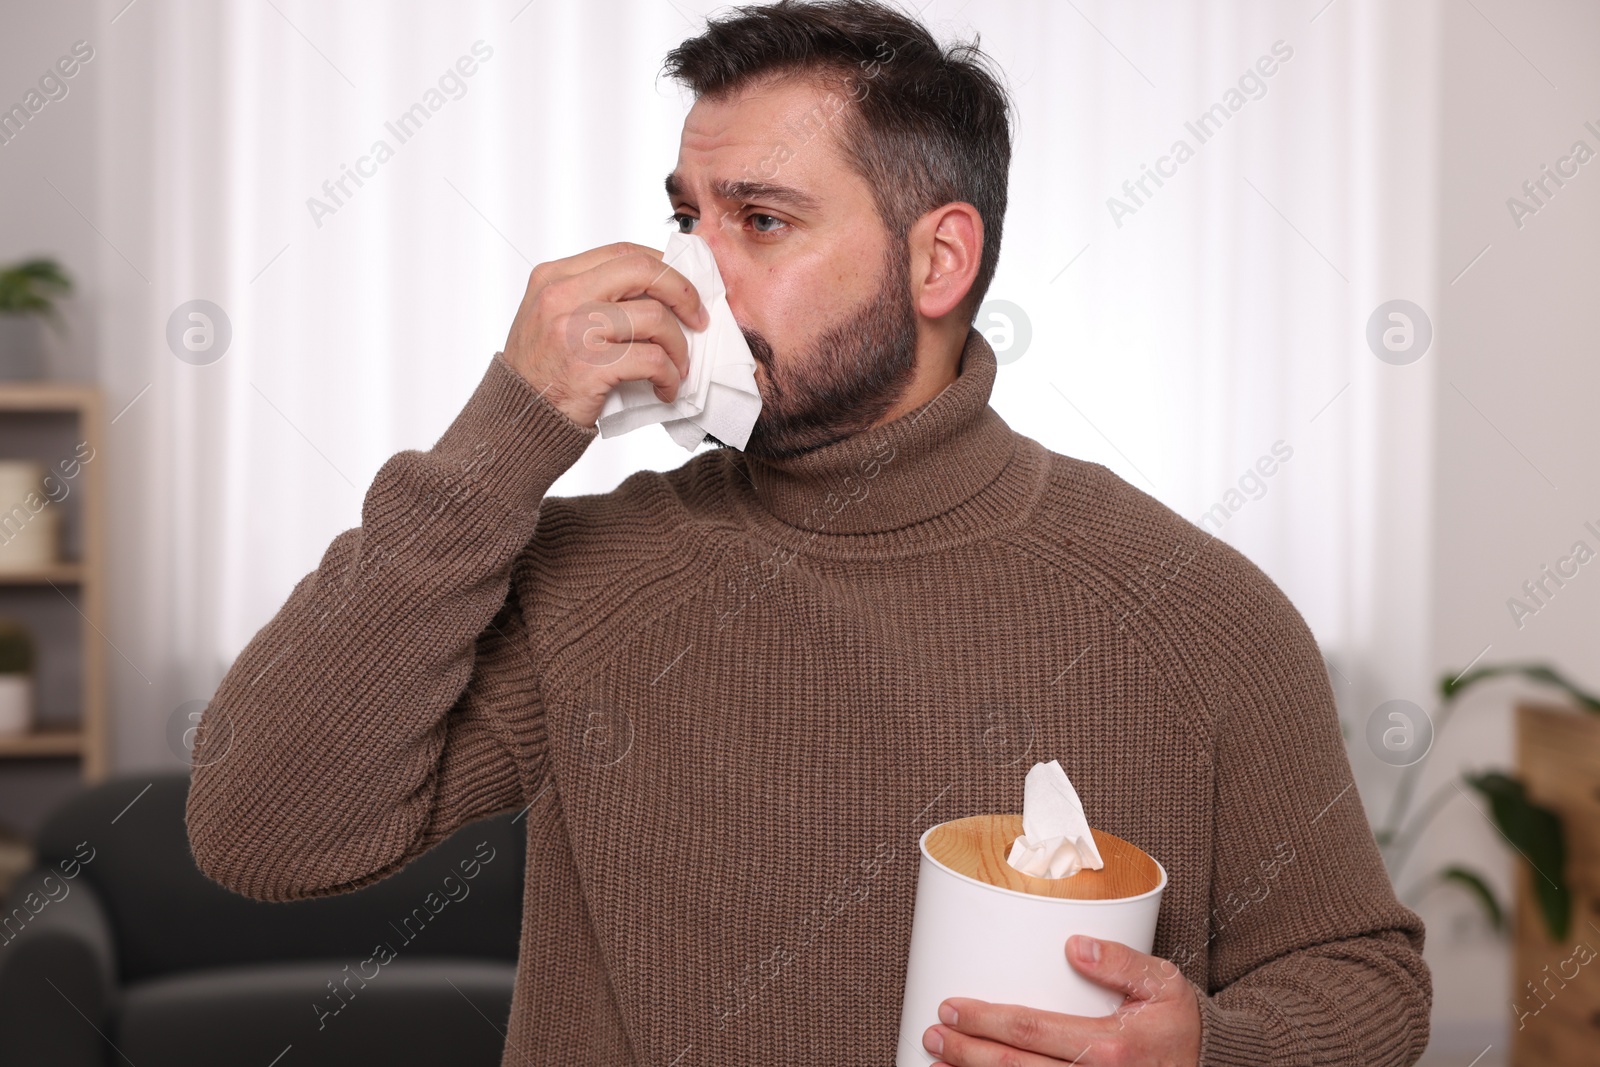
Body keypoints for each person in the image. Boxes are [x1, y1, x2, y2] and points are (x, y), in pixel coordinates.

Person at [185, 2, 1430, 1064]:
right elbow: (258, 830)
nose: (689, 278)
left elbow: (1367, 979)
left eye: (761, 221)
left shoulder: (1191, 608)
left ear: (938, 259)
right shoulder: (589, 573)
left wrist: (1216, 1046)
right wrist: (504, 434)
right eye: (688, 217)